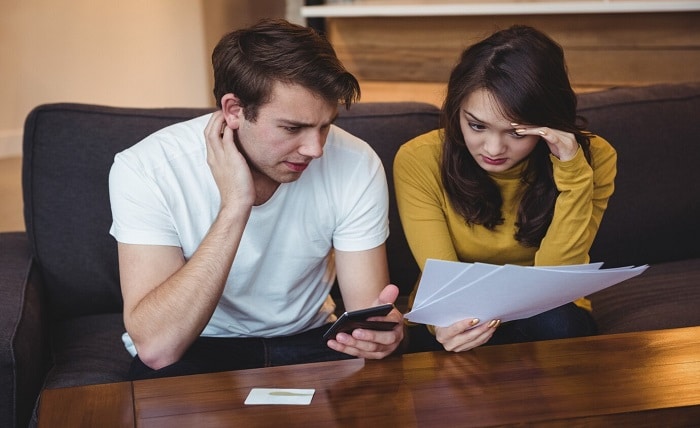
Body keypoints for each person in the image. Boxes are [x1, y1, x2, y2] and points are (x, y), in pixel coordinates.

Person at [108, 18, 404, 379]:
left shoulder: (357, 162)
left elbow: (365, 312)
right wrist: (235, 206)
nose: (316, 149)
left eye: (325, 125)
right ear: (234, 111)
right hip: (198, 344)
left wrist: (377, 337)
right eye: (292, 128)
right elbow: (157, 348)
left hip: (312, 339)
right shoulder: (147, 168)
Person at [393, 25, 617, 353]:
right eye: (477, 126)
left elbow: (555, 283)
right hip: (456, 311)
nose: (493, 149)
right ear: (456, 111)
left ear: (550, 123)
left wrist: (572, 172)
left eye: (516, 133)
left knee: (556, 320)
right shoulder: (419, 158)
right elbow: (442, 279)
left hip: (548, 312)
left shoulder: (593, 158)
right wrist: (446, 324)